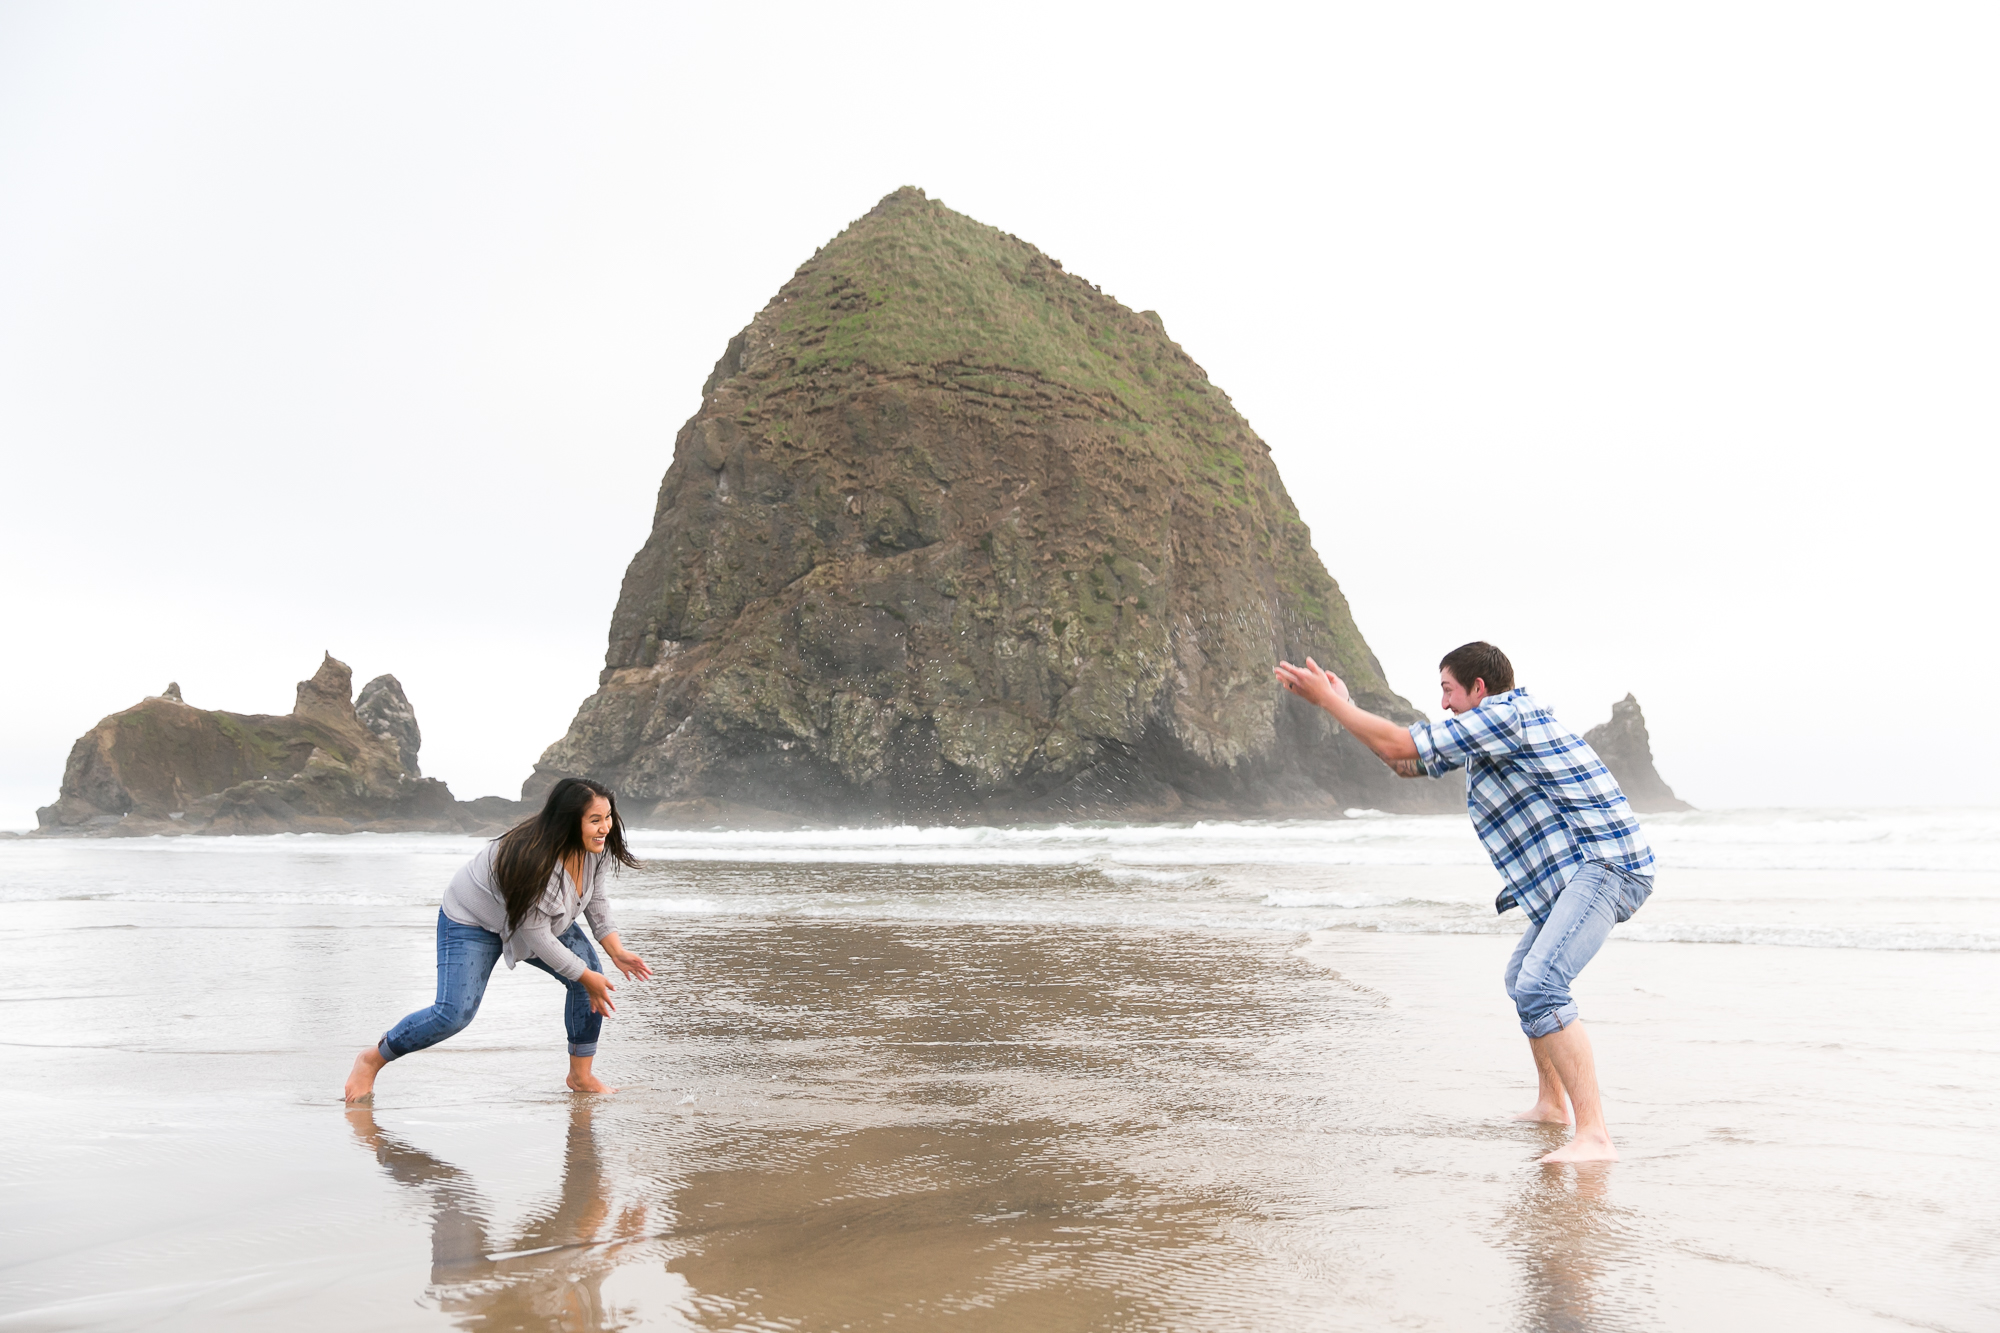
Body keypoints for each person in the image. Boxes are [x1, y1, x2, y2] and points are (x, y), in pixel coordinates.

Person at [1274, 641, 1653, 1162]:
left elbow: (1404, 743)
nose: (1445, 703)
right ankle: (1552, 1105)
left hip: (1605, 864)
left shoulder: (1507, 716)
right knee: (1522, 978)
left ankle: (1594, 1136)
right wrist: (1342, 709)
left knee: (1543, 982)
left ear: (1479, 688)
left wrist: (1330, 702)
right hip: (1574, 875)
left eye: (1449, 690)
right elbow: (1402, 761)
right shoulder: (1488, 735)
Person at [342, 777, 653, 1102]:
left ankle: (581, 1075)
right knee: (453, 1014)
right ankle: (372, 1059)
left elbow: (594, 896)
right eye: (595, 820)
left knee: (587, 974)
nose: (605, 827)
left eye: (608, 817)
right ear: (568, 822)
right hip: (472, 919)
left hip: (532, 916)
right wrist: (587, 977)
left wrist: (615, 949)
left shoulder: (595, 849)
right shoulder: (534, 860)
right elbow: (537, 936)